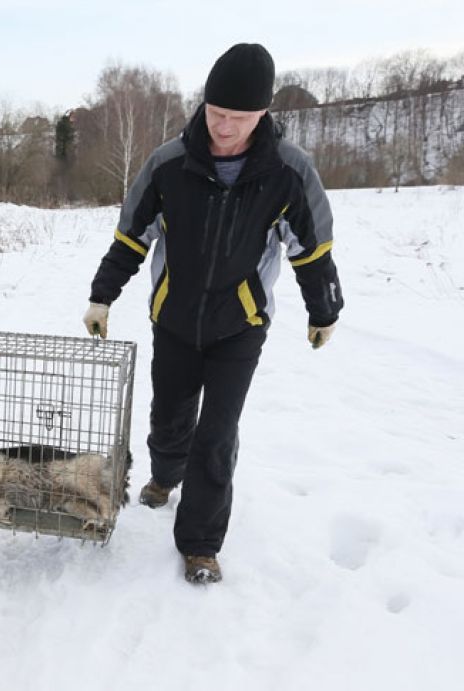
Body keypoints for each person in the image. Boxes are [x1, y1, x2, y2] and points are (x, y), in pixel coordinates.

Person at [83, 43, 343, 584]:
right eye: (216, 113)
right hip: (174, 319)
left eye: (239, 117)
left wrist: (324, 310)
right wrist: (102, 295)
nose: (224, 127)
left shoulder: (288, 171)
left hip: (239, 326)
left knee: (218, 433)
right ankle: (164, 474)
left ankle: (200, 542)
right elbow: (131, 237)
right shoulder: (168, 164)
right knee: (170, 416)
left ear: (264, 114)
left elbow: (312, 249)